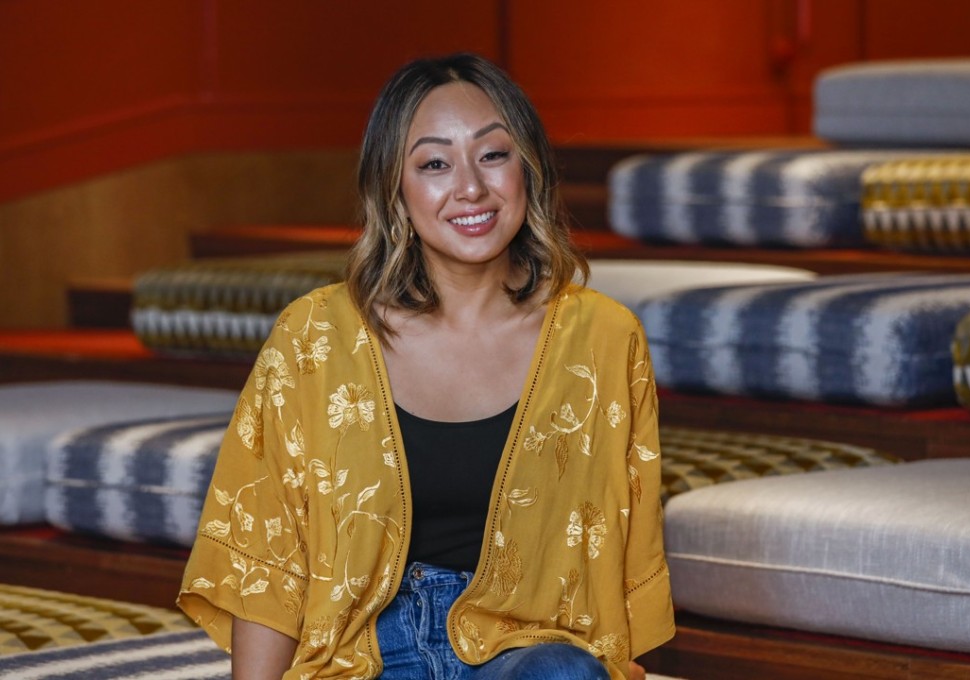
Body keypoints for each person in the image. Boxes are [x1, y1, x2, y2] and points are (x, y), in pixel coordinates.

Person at [178, 52, 674, 680]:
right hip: (366, 654)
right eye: (434, 163)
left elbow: (621, 555)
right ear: (395, 189)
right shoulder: (315, 338)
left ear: (530, 169)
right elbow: (266, 553)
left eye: (493, 155)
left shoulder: (604, 337)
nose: (470, 187)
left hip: (522, 649)